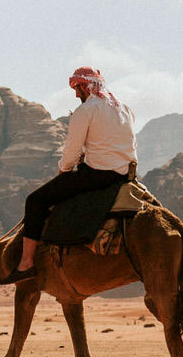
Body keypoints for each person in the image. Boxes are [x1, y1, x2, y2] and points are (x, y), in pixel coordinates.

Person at [13, 66, 138, 277]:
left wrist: (64, 170)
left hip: (98, 174)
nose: (75, 93)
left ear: (84, 86)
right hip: (126, 173)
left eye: (76, 88)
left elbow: (72, 149)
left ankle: (26, 264)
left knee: (35, 201)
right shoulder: (123, 108)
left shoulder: (86, 110)